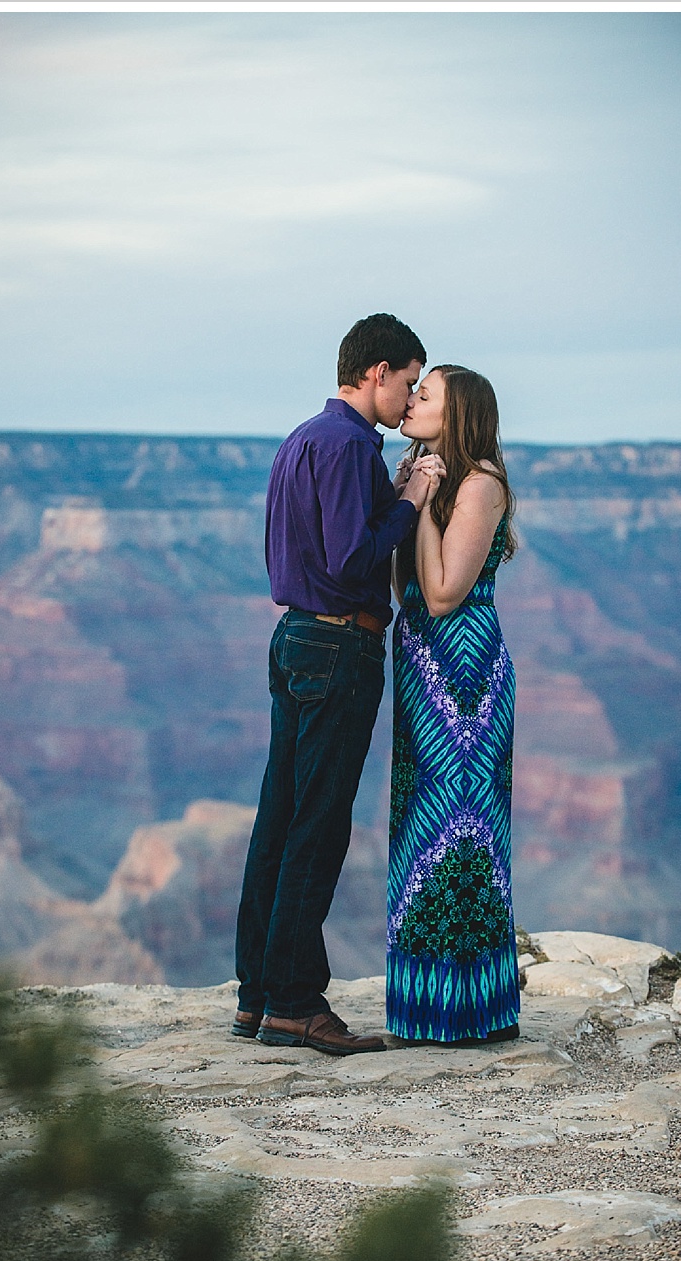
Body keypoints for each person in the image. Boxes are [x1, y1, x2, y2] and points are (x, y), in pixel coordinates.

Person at [233, 313, 441, 1056]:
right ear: (377, 371)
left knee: (279, 820)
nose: (409, 397)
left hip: (292, 638)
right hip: (339, 644)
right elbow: (355, 562)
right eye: (408, 382)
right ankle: (295, 1003)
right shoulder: (352, 445)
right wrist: (412, 501)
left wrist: (388, 496)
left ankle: (256, 994)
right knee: (318, 826)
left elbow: (299, 545)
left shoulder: (303, 439)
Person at [384, 364, 522, 1043]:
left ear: (457, 413)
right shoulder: (426, 471)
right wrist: (409, 494)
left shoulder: (481, 482)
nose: (411, 402)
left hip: (464, 675)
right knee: (421, 827)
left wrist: (422, 498)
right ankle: (421, 1006)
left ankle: (471, 1009)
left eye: (426, 395)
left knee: (464, 831)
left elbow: (441, 592)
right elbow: (399, 580)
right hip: (419, 663)